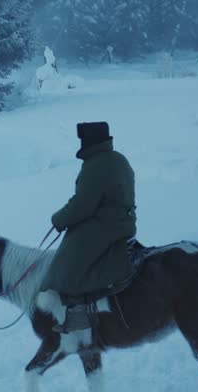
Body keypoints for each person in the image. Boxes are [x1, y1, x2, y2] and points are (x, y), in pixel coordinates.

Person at [41, 121, 138, 333]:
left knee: (67, 262)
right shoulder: (118, 159)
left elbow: (82, 205)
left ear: (89, 141)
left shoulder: (97, 165)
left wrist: (58, 219)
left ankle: (77, 316)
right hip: (123, 222)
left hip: (107, 226)